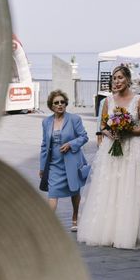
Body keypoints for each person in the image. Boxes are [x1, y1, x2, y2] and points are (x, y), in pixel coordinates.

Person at [77, 66, 140, 249]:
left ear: (128, 79)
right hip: (112, 147)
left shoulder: (139, 101)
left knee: (130, 186)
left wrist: (128, 130)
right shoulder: (108, 101)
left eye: (120, 78)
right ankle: (109, 229)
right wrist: (110, 133)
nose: (117, 81)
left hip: (133, 148)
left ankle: (131, 231)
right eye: (114, 78)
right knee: (110, 186)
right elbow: (104, 125)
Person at [39, 90, 89, 232]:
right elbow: (44, 145)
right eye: (56, 103)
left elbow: (84, 137)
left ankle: (75, 217)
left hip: (72, 161)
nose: (60, 105)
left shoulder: (74, 119)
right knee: (53, 193)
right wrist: (43, 167)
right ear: (51, 105)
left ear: (66, 104)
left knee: (74, 191)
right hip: (54, 164)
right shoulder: (46, 122)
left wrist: (70, 144)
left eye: (62, 102)